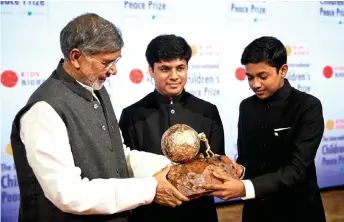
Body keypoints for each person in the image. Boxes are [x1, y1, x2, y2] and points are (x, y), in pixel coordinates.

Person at [10, 13, 189, 222]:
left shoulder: (97, 89)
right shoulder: (43, 109)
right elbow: (69, 194)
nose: (114, 70)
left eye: (116, 60)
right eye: (106, 62)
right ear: (76, 57)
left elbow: (118, 157)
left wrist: (173, 167)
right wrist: (150, 188)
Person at [203, 36, 326, 222]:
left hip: (298, 210)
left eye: (262, 76)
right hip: (256, 211)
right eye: (250, 77)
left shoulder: (308, 106)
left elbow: (297, 170)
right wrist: (238, 170)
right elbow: (247, 158)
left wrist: (244, 188)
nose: (255, 84)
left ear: (283, 70)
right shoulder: (246, 107)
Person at [119, 34, 225, 222]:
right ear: (151, 70)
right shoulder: (132, 115)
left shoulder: (207, 111)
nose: (174, 76)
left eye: (180, 68)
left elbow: (217, 164)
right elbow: (127, 170)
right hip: (151, 214)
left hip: (199, 214)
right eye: (165, 69)